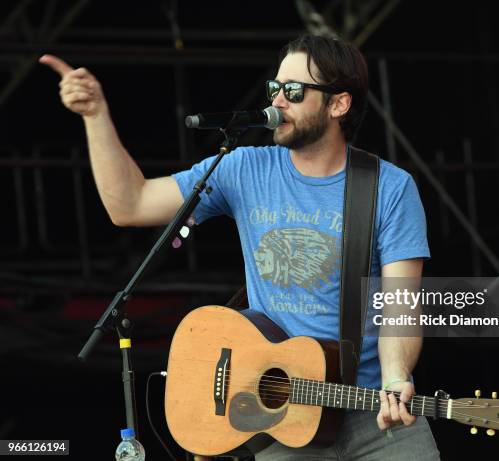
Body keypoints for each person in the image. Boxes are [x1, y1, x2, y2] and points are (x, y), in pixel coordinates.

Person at [40, 34, 440, 460]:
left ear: (338, 104)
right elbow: (130, 204)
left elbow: (400, 306)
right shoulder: (244, 167)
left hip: (373, 412)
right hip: (281, 414)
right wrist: (96, 116)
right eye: (275, 88)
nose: (277, 101)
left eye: (294, 91)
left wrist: (397, 376)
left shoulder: (389, 187)